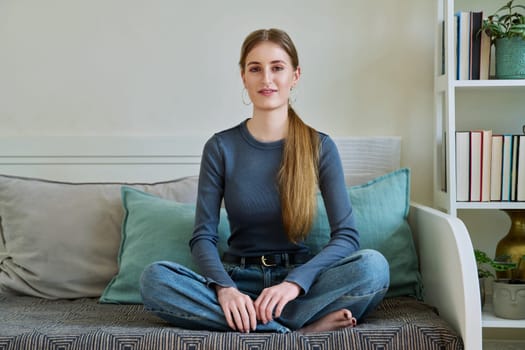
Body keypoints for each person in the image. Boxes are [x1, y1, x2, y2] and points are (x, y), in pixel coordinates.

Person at [140, 28, 389, 334]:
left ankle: (263, 326)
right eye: (255, 69)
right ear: (243, 77)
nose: (266, 79)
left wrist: (294, 284)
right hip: (239, 279)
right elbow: (203, 237)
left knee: (373, 268)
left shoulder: (320, 146)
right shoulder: (220, 147)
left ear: (295, 76)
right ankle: (295, 330)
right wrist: (225, 289)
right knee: (155, 279)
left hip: (299, 286)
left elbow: (347, 237)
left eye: (277, 68)